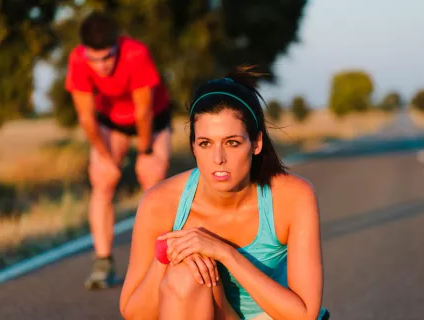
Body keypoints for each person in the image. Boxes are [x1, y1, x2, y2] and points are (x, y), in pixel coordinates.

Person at [119, 66, 329, 319]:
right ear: (194, 147)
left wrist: (225, 253)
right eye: (205, 143)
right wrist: (166, 256)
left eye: (232, 143)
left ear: (257, 143)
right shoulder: (161, 202)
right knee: (184, 272)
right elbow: (134, 313)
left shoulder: (293, 196)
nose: (218, 159)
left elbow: (304, 315)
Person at [65, 11, 172, 290]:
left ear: (117, 46)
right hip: (111, 122)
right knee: (103, 179)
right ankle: (103, 261)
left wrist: (145, 151)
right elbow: (86, 117)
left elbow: (144, 111)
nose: (101, 66)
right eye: (94, 59)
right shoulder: (78, 59)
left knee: (152, 180)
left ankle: (160, 261)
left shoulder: (135, 54)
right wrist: (105, 156)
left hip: (152, 120)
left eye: (108, 57)